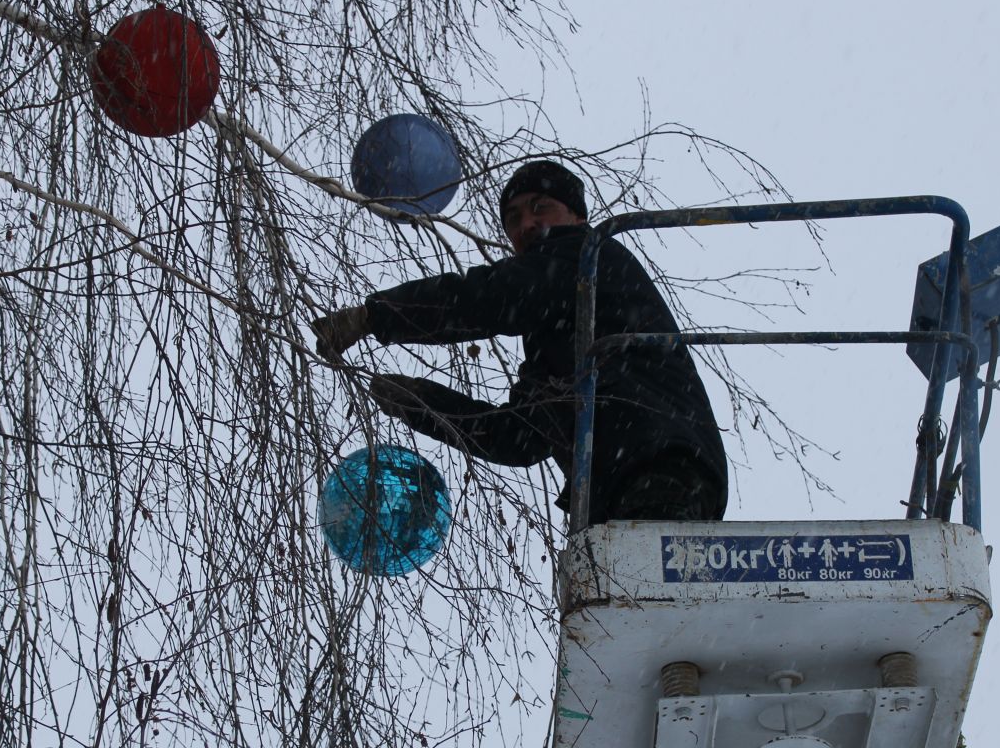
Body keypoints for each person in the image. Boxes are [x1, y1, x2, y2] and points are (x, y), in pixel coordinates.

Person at [311, 160, 728, 525]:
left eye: (539, 208)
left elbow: (488, 298)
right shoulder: (562, 336)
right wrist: (422, 403)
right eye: (512, 218)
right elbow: (518, 436)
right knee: (630, 606)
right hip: (624, 484)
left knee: (641, 602)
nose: (526, 224)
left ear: (577, 216)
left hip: (659, 464)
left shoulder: (587, 258)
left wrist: (374, 317)